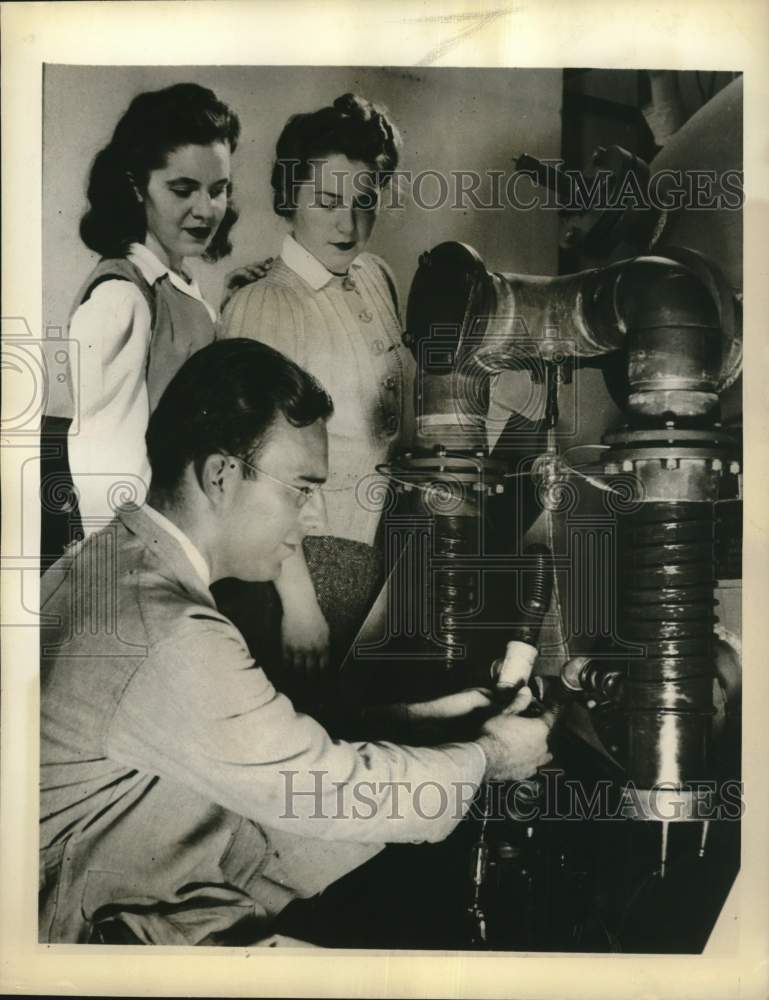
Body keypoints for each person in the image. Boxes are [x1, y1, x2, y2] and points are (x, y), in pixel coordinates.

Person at [39, 339, 552, 946]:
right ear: (222, 476)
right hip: (98, 942)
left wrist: (431, 721)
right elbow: (321, 790)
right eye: (301, 490)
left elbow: (263, 746)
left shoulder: (117, 563)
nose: (312, 520)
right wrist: (491, 758)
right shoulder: (169, 631)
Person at [219, 93, 413, 686]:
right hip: (307, 566)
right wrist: (300, 604)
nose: (347, 225)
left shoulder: (376, 277)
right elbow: (256, 473)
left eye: (364, 201)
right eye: (327, 201)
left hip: (384, 552)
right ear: (289, 197)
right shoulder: (264, 304)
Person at [41, 82, 240, 564]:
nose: (205, 210)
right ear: (136, 187)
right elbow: (107, 477)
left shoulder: (183, 290)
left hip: (187, 542)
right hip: (142, 560)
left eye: (218, 190)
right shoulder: (122, 298)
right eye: (182, 189)